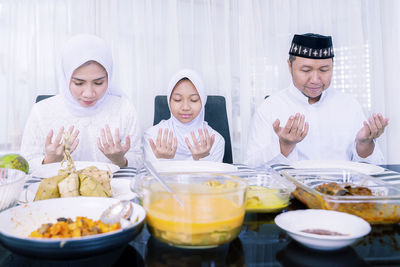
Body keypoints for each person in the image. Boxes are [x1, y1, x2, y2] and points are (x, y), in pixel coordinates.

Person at [246, 33, 389, 167]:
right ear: (290, 67)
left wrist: (364, 145)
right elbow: (251, 168)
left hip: (342, 191)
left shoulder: (349, 105)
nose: (315, 80)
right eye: (306, 70)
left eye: (324, 70)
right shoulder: (270, 108)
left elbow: (374, 169)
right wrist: (284, 145)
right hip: (290, 192)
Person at [20, 34, 142, 172]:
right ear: (66, 78)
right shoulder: (41, 111)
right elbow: (24, 163)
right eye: (79, 83)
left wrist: (120, 160)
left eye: (98, 83)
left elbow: (139, 161)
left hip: (114, 190)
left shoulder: (124, 108)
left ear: (109, 77)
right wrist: (49, 161)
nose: (89, 93)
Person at [143, 69, 225, 162]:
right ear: (169, 101)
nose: (185, 107)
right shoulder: (152, 137)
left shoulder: (215, 141)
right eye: (177, 99)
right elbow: (150, 176)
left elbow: (213, 176)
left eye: (194, 100)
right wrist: (163, 160)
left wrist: (201, 160)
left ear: (203, 101)